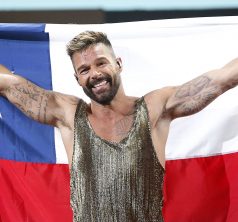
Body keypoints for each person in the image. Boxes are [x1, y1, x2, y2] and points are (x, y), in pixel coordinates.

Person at [0, 31, 238, 222]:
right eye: (84, 69)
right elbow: (8, 85)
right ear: (77, 79)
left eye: (101, 63)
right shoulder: (69, 114)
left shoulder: (154, 108)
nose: (95, 73)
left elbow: (225, 77)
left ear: (118, 64)